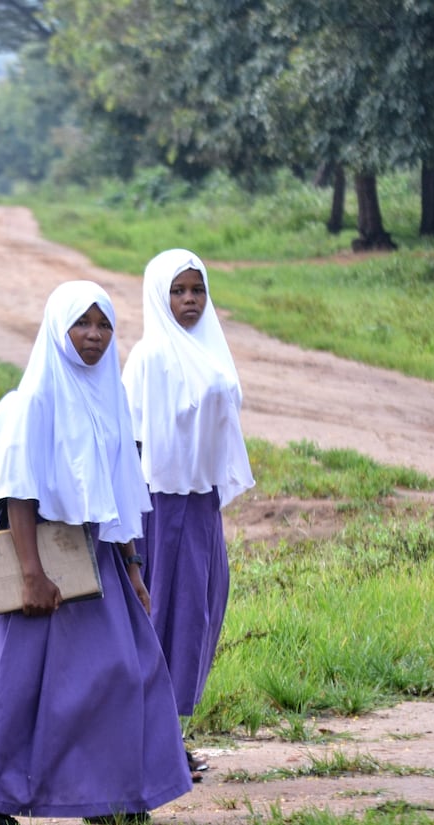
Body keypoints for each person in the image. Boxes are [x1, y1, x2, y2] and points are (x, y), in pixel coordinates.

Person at [0, 280, 192, 825]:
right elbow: (19, 492)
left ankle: (113, 798)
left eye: (103, 324)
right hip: (35, 556)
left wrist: (133, 568)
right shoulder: (28, 402)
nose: (93, 336)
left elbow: (115, 488)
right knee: (17, 690)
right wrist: (33, 574)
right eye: (81, 324)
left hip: (95, 559)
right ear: (57, 330)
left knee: (124, 672)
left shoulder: (106, 395)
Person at [121, 249, 255, 776]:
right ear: (159, 295)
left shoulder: (212, 351)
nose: (190, 301)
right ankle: (149, 749)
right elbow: (130, 442)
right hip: (157, 509)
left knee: (194, 617)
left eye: (196, 290)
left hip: (199, 508)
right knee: (156, 620)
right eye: (177, 292)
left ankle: (167, 739)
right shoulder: (149, 358)